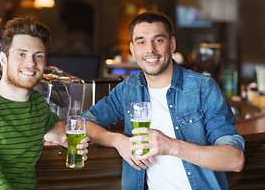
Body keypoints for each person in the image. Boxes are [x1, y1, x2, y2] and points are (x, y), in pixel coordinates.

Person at [82, 11, 245, 190]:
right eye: (141, 42)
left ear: (172, 44)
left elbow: (234, 159)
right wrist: (118, 142)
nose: (150, 49)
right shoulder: (129, 88)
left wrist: (170, 146)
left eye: (158, 40)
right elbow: (84, 123)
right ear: (132, 49)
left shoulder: (202, 88)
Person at [0, 16, 89, 189]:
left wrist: (66, 138)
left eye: (38, 56)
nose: (30, 63)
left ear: (45, 63)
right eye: (21, 54)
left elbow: (52, 126)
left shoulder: (37, 105)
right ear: (3, 59)